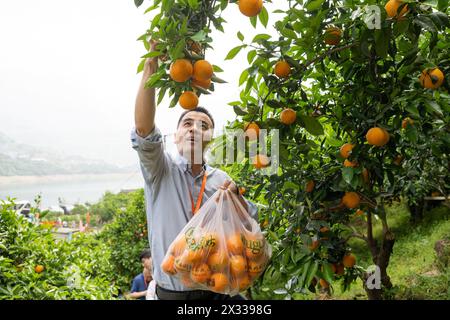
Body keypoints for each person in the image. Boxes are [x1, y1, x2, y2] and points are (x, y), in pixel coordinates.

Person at [131, 40, 259, 300]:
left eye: (204, 125)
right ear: (175, 136)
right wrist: (151, 65)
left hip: (218, 287)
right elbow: (144, 131)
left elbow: (250, 221)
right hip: (173, 292)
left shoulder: (222, 180)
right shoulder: (160, 170)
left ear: (210, 138)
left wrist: (236, 199)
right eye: (187, 123)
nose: (194, 128)